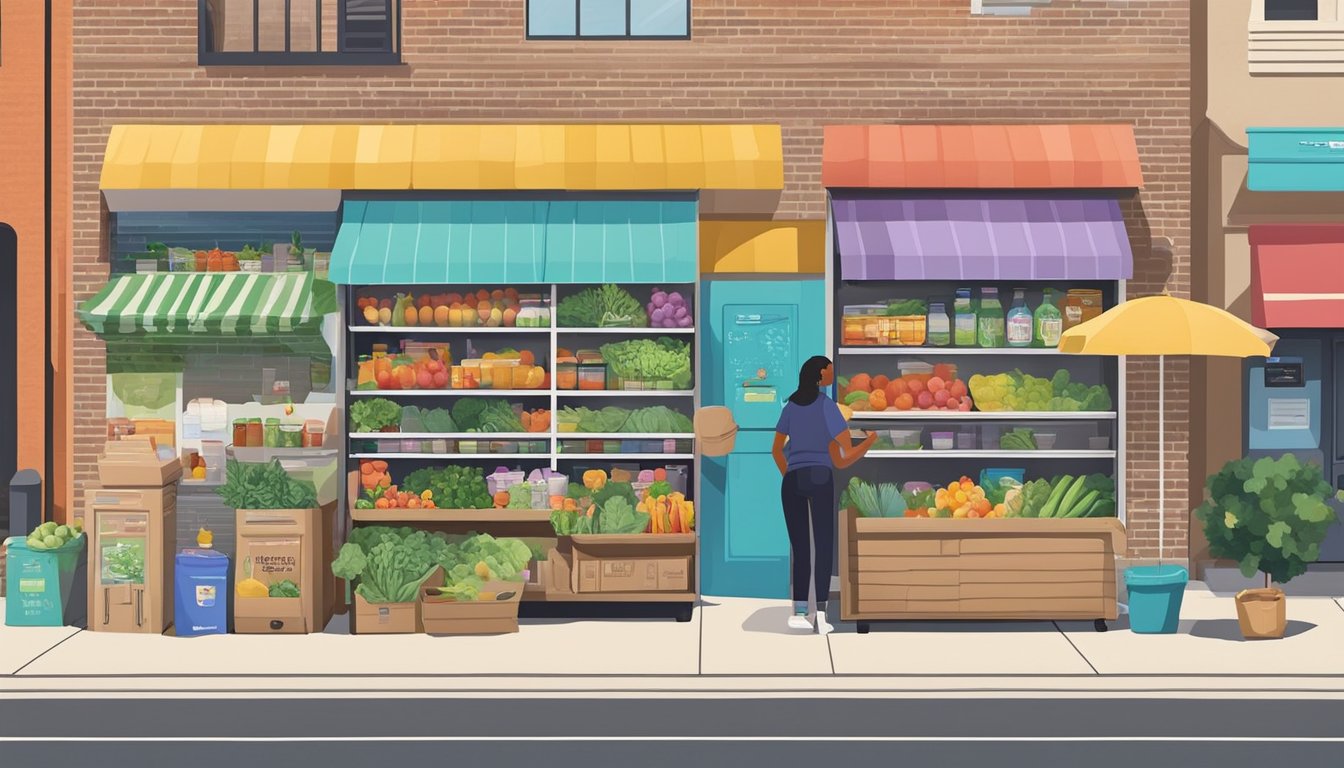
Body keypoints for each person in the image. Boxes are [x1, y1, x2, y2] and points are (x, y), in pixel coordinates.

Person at [771, 355, 876, 634]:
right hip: (820, 477)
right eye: (829, 370)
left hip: (792, 480)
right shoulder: (828, 408)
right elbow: (843, 458)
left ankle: (799, 612)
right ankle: (822, 614)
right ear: (819, 375)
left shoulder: (790, 407)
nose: (832, 374)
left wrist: (790, 474)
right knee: (823, 544)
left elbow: (776, 450)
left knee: (801, 547)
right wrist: (868, 442)